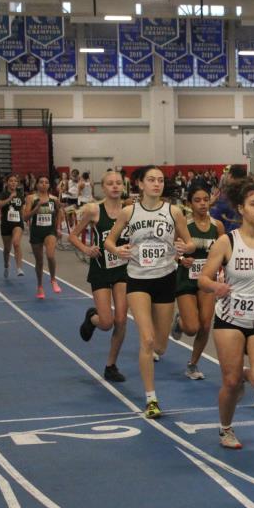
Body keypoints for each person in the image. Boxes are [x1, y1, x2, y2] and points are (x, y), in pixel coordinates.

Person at [198, 179, 254, 449]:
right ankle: (226, 429)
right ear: (241, 208)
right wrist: (215, 286)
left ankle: (242, 375)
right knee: (230, 381)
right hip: (231, 318)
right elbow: (203, 278)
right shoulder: (226, 242)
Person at [105, 165, 196, 419]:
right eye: (151, 180)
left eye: (160, 180)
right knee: (146, 340)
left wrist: (184, 248)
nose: (157, 184)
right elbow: (109, 241)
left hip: (166, 278)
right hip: (138, 280)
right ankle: (151, 399)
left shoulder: (174, 212)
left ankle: (174, 324)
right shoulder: (129, 212)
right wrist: (117, 250)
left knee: (160, 346)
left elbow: (190, 243)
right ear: (141, 184)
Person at [71, 171, 131, 383]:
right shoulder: (94, 210)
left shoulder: (130, 211)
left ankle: (111, 365)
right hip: (101, 269)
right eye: (110, 183)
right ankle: (92, 318)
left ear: (123, 186)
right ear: (103, 187)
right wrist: (86, 249)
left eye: (118, 183)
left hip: (123, 270)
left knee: (121, 320)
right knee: (106, 323)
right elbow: (73, 235)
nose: (115, 186)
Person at [171, 183, 224, 382]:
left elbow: (225, 251)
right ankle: (180, 322)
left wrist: (222, 271)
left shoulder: (217, 226)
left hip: (207, 281)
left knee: (205, 325)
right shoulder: (183, 225)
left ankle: (192, 364)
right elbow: (170, 250)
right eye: (197, 200)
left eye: (205, 199)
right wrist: (180, 260)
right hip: (186, 279)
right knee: (192, 327)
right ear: (189, 203)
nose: (202, 203)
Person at [23, 175, 63, 299]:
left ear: (49, 185)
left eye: (46, 182)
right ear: (37, 184)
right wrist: (36, 208)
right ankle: (40, 285)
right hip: (36, 232)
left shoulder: (54, 199)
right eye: (41, 182)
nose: (44, 184)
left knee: (50, 256)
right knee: (39, 261)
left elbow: (59, 213)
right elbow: (25, 217)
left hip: (50, 231)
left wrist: (58, 228)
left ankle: (53, 279)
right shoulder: (31, 198)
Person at [0, 174, 26, 279]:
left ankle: (19, 268)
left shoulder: (20, 195)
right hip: (6, 224)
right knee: (7, 249)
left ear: (17, 183)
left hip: (17, 223)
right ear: (7, 182)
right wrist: (9, 198)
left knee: (16, 243)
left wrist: (25, 220)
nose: (13, 183)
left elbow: (22, 210)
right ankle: (6, 265)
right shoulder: (3, 194)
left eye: (15, 181)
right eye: (11, 181)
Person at [211, 165, 246, 233]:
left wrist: (210, 205)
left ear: (230, 176)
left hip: (229, 233)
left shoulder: (228, 196)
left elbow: (214, 218)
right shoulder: (249, 192)